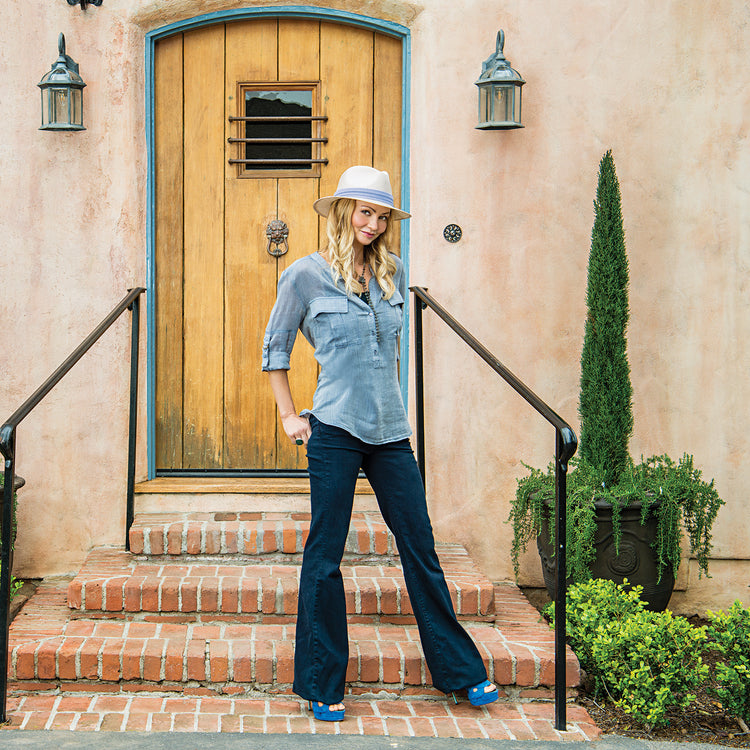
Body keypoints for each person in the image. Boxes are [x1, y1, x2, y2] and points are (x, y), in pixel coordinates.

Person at [262, 165, 497, 722]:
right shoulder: (304, 275)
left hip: (390, 433)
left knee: (420, 547)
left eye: (382, 215)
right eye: (364, 212)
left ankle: (459, 671)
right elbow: (274, 350)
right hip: (335, 431)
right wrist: (291, 416)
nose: (372, 223)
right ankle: (322, 682)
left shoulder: (392, 272)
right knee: (325, 555)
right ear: (344, 212)